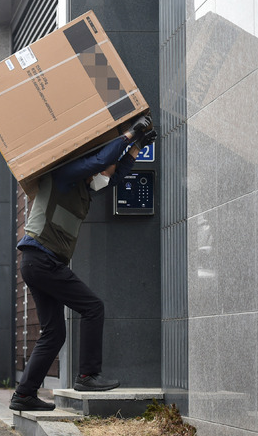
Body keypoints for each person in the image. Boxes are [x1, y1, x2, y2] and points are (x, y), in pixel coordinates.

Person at [9, 114, 157, 412]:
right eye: (105, 163)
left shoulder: (84, 187)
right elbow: (99, 162)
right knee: (93, 307)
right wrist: (129, 134)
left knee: (54, 332)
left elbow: (112, 176)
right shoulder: (65, 174)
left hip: (38, 262)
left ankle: (24, 395)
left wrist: (136, 147)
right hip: (42, 260)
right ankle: (87, 375)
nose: (106, 170)